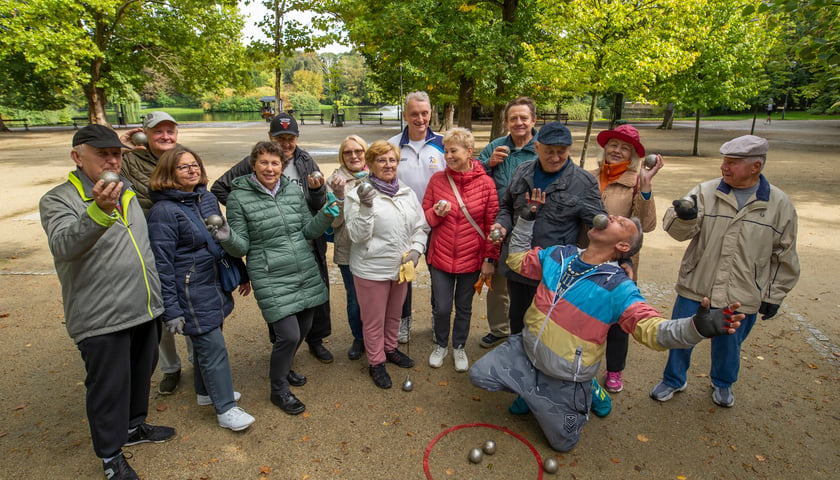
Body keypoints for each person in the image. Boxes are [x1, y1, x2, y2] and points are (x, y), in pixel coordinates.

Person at [469, 198, 745, 452]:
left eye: (621, 223)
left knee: (563, 443)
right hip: (526, 352)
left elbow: (651, 329)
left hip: (566, 374)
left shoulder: (619, 287)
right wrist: (526, 220)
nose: (611, 216)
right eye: (613, 216)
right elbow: (517, 260)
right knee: (479, 374)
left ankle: (586, 390)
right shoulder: (558, 255)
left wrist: (694, 328)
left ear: (623, 247)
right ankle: (533, 390)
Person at [39, 125, 175, 479]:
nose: (111, 159)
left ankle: (133, 427)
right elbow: (64, 245)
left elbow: (163, 165)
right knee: (108, 387)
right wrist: (98, 210)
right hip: (102, 317)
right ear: (76, 157)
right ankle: (110, 456)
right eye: (102, 154)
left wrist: (132, 147)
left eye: (115, 153)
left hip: (144, 307)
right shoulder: (59, 199)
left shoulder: (125, 186)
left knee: (140, 375)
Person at [650, 135, 800, 408]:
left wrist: (773, 295)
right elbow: (675, 232)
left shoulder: (779, 205)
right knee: (681, 335)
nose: (724, 167)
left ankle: (723, 383)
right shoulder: (705, 192)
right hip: (697, 284)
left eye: (732, 162)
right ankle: (673, 379)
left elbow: (784, 255)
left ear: (756, 166)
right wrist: (684, 217)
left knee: (729, 345)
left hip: (741, 292)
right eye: (724, 161)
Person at [210, 141, 336, 415]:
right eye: (264, 162)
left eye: (275, 163)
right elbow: (241, 246)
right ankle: (278, 390)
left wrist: (325, 214)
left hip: (303, 267)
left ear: (282, 166)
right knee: (288, 335)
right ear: (253, 164)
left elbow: (307, 230)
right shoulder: (238, 197)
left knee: (303, 329)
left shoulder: (292, 190)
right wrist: (226, 237)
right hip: (271, 275)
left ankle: (286, 367)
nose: (270, 168)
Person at [146, 146, 255, 431]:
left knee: (209, 340)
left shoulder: (205, 198)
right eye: (184, 167)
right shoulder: (163, 212)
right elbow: (162, 264)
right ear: (169, 173)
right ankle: (226, 410)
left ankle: (207, 392)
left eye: (195, 165)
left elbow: (222, 239)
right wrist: (171, 309)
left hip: (213, 282)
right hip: (190, 290)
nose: (193, 170)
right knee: (212, 347)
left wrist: (240, 272)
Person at [491, 121, 606, 336]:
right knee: (517, 321)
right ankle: (518, 363)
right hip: (519, 266)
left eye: (561, 152)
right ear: (536, 148)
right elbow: (506, 206)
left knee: (548, 330)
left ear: (569, 150)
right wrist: (502, 224)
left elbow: (599, 226)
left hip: (554, 272)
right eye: (549, 151)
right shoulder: (522, 171)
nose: (555, 157)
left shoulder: (583, 182)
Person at [344, 141, 429, 389]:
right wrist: (367, 206)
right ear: (369, 165)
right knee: (373, 319)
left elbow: (420, 226)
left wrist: (416, 249)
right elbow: (357, 236)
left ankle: (390, 348)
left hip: (401, 267)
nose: (388, 165)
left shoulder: (407, 192)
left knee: (394, 314)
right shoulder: (356, 195)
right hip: (371, 269)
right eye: (381, 160)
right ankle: (376, 361)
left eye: (392, 160)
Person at [591, 124, 663, 393]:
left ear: (633, 155)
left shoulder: (635, 183)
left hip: (618, 261)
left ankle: (614, 370)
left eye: (625, 148)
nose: (617, 151)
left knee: (617, 317)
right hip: (587, 256)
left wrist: (645, 185)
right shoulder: (589, 176)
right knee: (584, 313)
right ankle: (582, 366)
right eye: (613, 145)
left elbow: (646, 224)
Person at [120, 111, 188, 395]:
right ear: (144, 134)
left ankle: (201, 363)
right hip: (147, 245)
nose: (165, 136)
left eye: (170, 131)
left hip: (183, 243)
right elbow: (99, 165)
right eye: (158, 131)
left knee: (190, 303)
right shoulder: (128, 160)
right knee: (158, 310)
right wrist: (120, 142)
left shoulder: (185, 157)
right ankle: (170, 367)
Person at [422, 128, 499, 372]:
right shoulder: (437, 181)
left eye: (453, 150)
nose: (448, 156)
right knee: (442, 307)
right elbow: (425, 217)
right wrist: (436, 213)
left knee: (464, 307)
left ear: (469, 151)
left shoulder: (486, 184)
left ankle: (459, 347)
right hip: (440, 257)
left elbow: (492, 226)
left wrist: (489, 259)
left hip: (471, 258)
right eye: (446, 151)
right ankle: (441, 344)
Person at [476, 96, 539, 349]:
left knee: (531, 282)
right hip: (498, 223)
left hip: (533, 223)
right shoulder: (495, 147)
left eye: (524, 118)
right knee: (498, 280)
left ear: (533, 120)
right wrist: (488, 164)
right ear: (506, 122)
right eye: (513, 118)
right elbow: (473, 175)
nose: (519, 122)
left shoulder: (542, 148)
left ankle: (529, 332)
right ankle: (500, 329)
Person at [388, 91, 445, 344]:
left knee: (439, 275)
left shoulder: (443, 144)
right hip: (404, 223)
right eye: (414, 114)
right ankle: (403, 320)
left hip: (439, 222)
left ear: (431, 113)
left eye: (424, 113)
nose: (420, 119)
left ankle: (437, 319)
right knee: (404, 274)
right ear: (405, 115)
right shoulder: (392, 145)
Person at [326, 135, 369, 360]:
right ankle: (359, 337)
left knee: (376, 296)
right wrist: (340, 196)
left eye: (358, 151)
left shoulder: (378, 174)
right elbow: (333, 223)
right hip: (348, 249)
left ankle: (378, 336)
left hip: (374, 249)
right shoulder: (334, 181)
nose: (354, 156)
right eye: (348, 152)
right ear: (342, 156)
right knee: (354, 297)